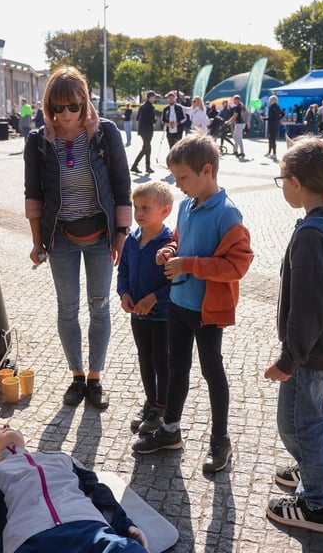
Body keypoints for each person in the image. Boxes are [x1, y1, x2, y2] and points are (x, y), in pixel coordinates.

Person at [132, 135, 254, 472]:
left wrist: (189, 264)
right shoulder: (186, 206)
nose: (178, 185)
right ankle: (170, 430)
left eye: (183, 178)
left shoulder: (228, 214)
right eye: (175, 177)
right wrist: (170, 251)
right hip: (179, 303)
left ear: (207, 170)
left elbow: (238, 265)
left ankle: (221, 440)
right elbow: (179, 241)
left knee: (212, 371)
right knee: (176, 369)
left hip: (207, 311)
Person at [263, 138, 323, 533]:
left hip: (311, 353)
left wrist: (289, 360)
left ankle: (315, 505)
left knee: (298, 424)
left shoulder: (312, 235)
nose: (282, 184)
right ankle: (321, 471)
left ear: (297, 182)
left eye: (282, 178)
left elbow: (308, 308)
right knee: (313, 416)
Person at [24, 66, 132, 409]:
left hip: (100, 236)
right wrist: (37, 242)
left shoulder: (106, 135)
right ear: (47, 107)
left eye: (72, 106)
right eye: (57, 108)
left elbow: (121, 187)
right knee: (67, 310)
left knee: (99, 309)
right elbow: (33, 196)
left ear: (85, 103)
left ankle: (96, 378)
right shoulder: (38, 142)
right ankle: (76, 376)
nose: (65, 115)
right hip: (63, 239)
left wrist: (121, 235)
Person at [0, 425, 148, 553]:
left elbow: (97, 490)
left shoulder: (62, 458)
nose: (4, 425)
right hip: (31, 542)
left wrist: (124, 525)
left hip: (93, 531)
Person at [118, 180, 174, 435]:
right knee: (145, 359)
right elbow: (124, 271)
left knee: (162, 362)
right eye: (136, 207)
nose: (138, 213)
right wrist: (124, 294)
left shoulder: (169, 243)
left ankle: (162, 407)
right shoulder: (131, 239)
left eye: (145, 208)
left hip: (163, 317)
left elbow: (175, 282)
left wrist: (155, 297)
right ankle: (151, 401)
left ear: (164, 211)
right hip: (138, 316)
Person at [130, 91, 157, 175]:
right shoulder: (150, 107)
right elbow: (152, 120)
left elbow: (138, 118)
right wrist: (155, 118)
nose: (154, 99)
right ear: (150, 97)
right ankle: (135, 166)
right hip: (148, 130)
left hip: (142, 130)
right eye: (154, 97)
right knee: (146, 148)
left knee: (147, 148)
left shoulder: (142, 106)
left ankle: (147, 167)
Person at [262, 95, 285, 159]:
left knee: (272, 139)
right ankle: (270, 152)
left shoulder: (272, 107)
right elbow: (283, 114)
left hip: (272, 125)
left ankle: (273, 153)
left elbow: (271, 117)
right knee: (271, 139)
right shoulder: (277, 107)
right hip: (276, 124)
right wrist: (278, 119)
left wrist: (264, 119)